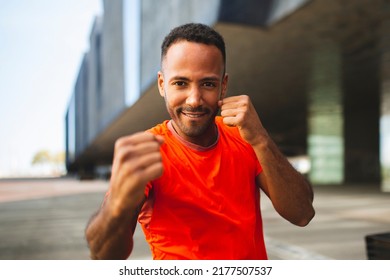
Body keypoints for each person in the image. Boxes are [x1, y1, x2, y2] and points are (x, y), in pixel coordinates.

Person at [85, 23, 315, 260]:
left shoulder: (245, 136)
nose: (194, 100)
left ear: (223, 86)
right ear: (162, 84)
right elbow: (104, 257)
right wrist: (118, 206)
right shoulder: (147, 150)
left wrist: (262, 139)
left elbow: (302, 213)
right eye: (180, 83)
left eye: (207, 84)